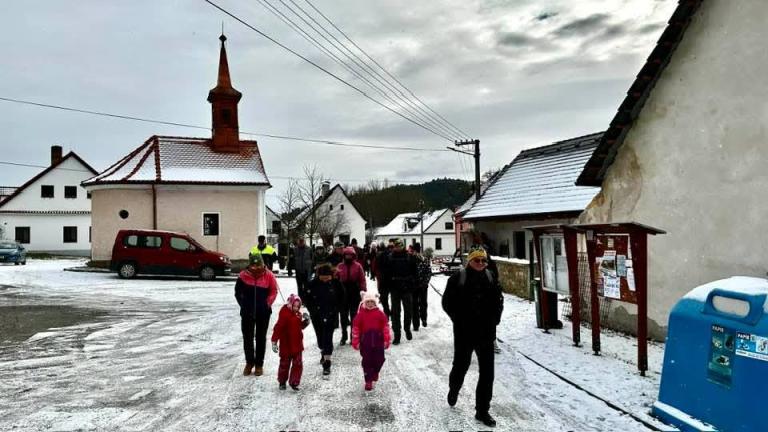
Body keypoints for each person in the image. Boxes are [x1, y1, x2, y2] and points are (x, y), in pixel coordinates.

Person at [442, 247, 503, 428]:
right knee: (461, 366)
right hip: (464, 332)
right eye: (477, 260)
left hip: (486, 332)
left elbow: (498, 301)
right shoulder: (458, 278)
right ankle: (454, 389)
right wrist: (459, 319)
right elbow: (447, 303)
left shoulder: (491, 278)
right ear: (470, 261)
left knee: (487, 373)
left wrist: (495, 319)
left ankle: (482, 410)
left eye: (484, 261)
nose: (481, 264)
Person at [234, 253, 279, 377]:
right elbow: (237, 292)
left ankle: (259, 364)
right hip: (247, 311)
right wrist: (243, 304)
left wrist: (267, 303)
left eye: (258, 265)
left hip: (263, 311)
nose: (256, 268)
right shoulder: (243, 275)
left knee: (260, 337)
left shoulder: (269, 275)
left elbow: (273, 291)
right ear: (249, 265)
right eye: (253, 266)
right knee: (247, 337)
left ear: (262, 264)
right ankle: (249, 362)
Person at [304, 263, 342, 377]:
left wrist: (336, 309)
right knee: (321, 338)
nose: (325, 280)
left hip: (331, 315)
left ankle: (327, 363)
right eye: (323, 277)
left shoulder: (336, 284)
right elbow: (306, 298)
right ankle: (323, 350)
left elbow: (342, 297)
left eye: (327, 277)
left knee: (328, 338)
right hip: (317, 315)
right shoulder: (312, 284)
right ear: (318, 275)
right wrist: (313, 310)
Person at [351, 290, 391, 391]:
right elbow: (355, 328)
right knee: (367, 361)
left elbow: (386, 327)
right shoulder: (360, 315)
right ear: (364, 303)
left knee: (380, 359)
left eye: (371, 302)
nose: (369, 304)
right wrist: (356, 341)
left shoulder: (380, 314)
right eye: (367, 302)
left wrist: (387, 340)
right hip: (366, 342)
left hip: (378, 341)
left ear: (375, 303)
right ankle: (368, 380)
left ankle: (375, 372)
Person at [381, 239, 418, 345]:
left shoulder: (410, 257)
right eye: (396, 247)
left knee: (408, 310)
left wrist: (413, 285)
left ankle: (407, 328)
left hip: (406, 287)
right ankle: (397, 334)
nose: (397, 248)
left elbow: (415, 273)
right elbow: (385, 274)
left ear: (403, 246)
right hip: (394, 288)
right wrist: (386, 287)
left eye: (399, 246)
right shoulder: (390, 258)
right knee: (395, 312)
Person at [271, 294, 311, 391]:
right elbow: (278, 328)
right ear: (290, 304)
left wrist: (306, 321)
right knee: (284, 364)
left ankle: (294, 382)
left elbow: (300, 326)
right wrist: (274, 341)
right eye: (294, 306)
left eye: (298, 306)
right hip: (286, 345)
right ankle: (282, 381)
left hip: (297, 344)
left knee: (298, 364)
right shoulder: (284, 315)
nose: (296, 308)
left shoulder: (298, 315)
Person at [337, 246, 367, 346]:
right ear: (344, 255)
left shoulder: (358, 266)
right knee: (343, 316)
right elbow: (336, 279)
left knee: (354, 316)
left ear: (353, 255)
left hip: (354, 292)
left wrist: (363, 290)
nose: (348, 257)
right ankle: (344, 335)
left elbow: (362, 279)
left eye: (350, 255)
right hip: (342, 292)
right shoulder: (340, 266)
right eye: (347, 255)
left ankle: (353, 336)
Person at [411, 243, 432, 330]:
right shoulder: (412, 260)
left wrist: (425, 282)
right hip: (416, 286)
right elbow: (429, 272)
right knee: (417, 304)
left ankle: (422, 320)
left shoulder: (423, 259)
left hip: (420, 286)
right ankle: (419, 322)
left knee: (420, 304)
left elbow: (428, 272)